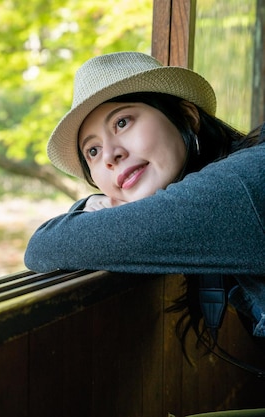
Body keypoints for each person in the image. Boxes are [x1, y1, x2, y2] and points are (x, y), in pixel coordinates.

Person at [23, 52, 265, 364]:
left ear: (187, 117)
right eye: (92, 151)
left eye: (122, 122)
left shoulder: (241, 183)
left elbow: (44, 244)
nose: (110, 155)